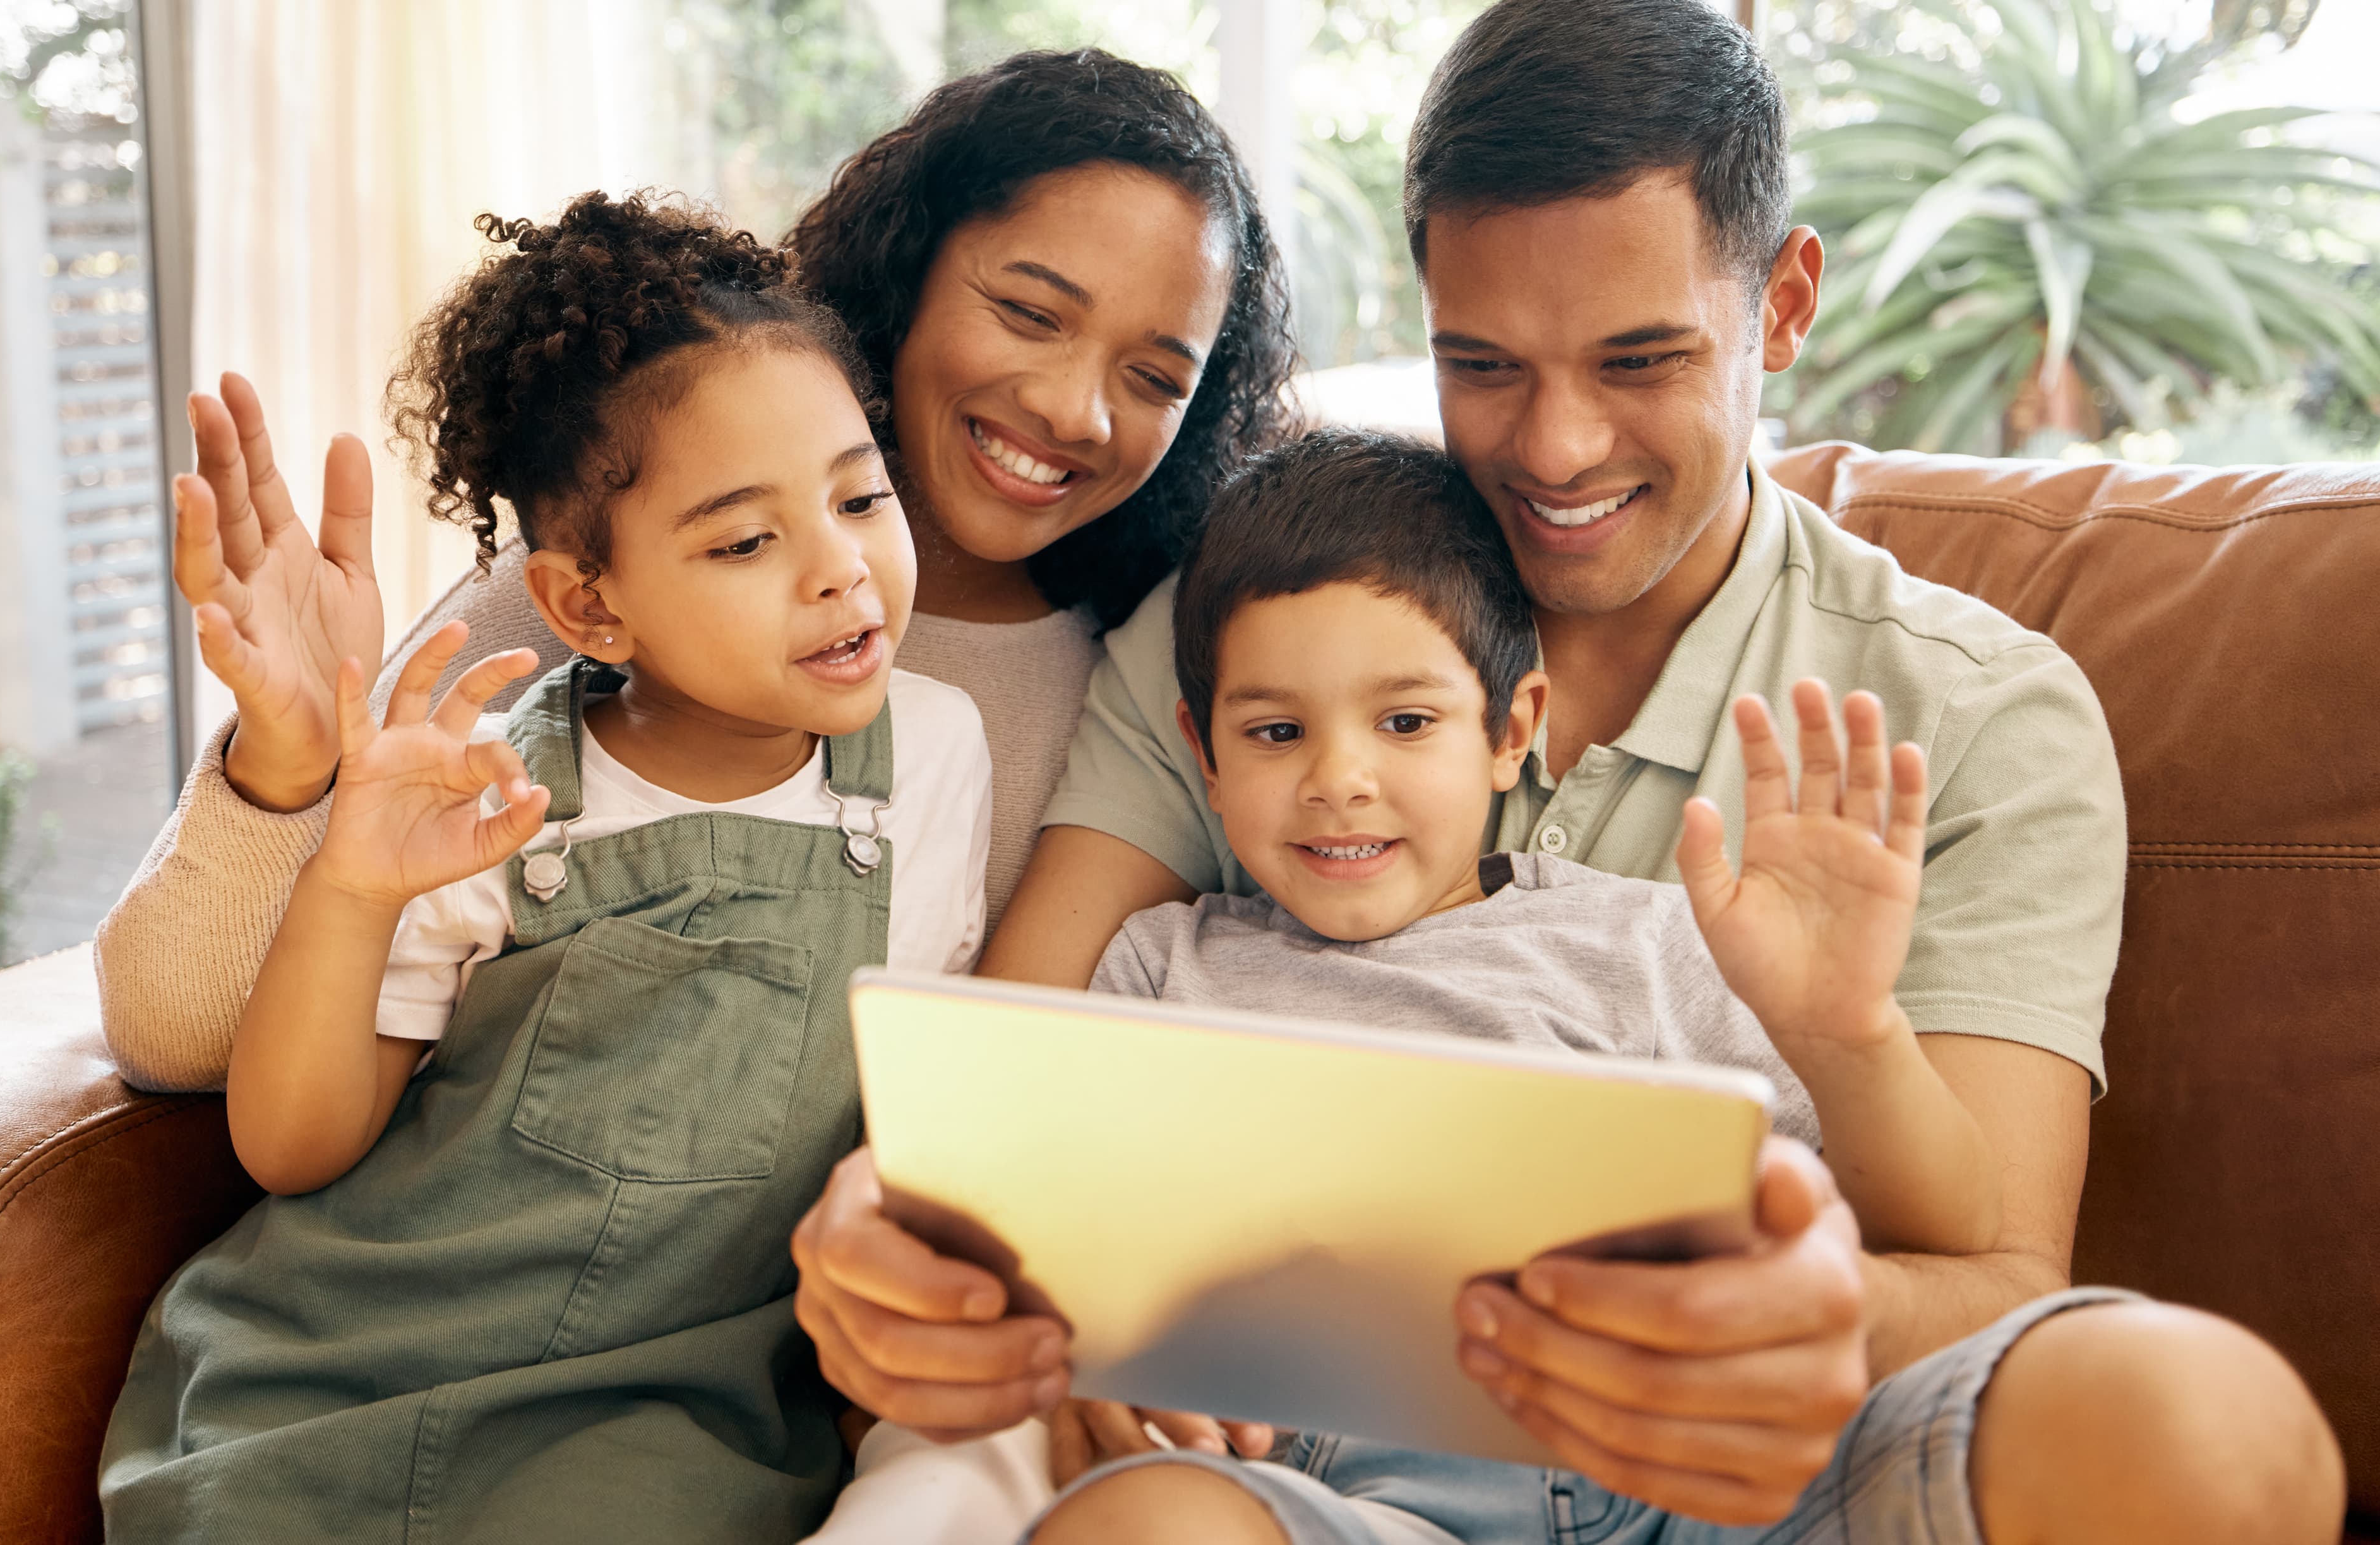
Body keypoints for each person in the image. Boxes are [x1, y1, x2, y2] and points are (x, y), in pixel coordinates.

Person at [790, 4, 2350, 1540]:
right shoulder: (1256, 620)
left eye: (1640, 356)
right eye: (1482, 361)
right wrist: (927, 1255)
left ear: (1782, 304)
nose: (1553, 446)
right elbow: (1001, 1096)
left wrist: (1799, 1303)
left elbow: (1999, 1275)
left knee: (2209, 1421)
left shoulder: (1981, 710)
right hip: (1325, 1475)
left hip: (1762, 1461)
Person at [820, 426, 2025, 1545]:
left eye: (1405, 721)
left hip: (1667, 1478)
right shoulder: (1159, 967)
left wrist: (1849, 1031)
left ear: (1513, 730)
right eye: (1276, 733)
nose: (1340, 779)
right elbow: (1035, 1221)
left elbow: (1950, 1230)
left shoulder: (1653, 943)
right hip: (1343, 1497)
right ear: (1204, 754)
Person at [95, 45, 1295, 1091]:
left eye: (1154, 378)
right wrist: (289, 770)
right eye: (1031, 313)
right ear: (911, 268)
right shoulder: (602, 585)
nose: (1074, 408)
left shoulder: (1153, 693)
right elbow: (173, 1040)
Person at [99, 194, 993, 1541]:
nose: (841, 568)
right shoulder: (487, 781)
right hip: (345, 1374)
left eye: (861, 495)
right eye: (746, 540)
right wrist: (351, 880)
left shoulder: (934, 754)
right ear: (589, 602)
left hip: (675, 1403)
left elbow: (919, 1114)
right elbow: (293, 1147)